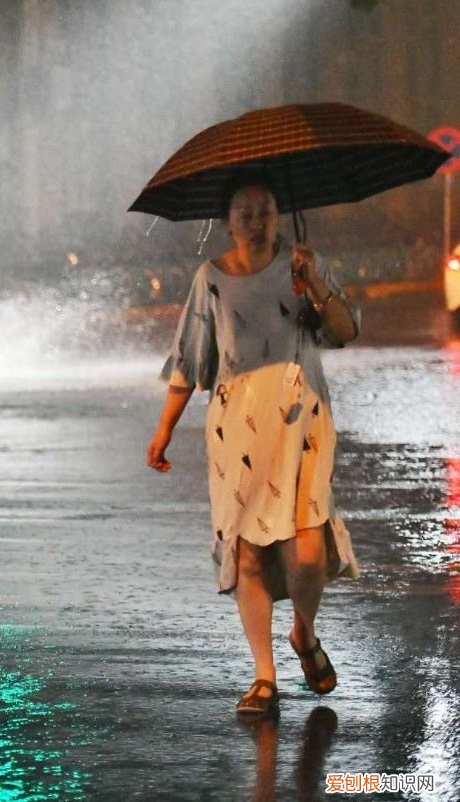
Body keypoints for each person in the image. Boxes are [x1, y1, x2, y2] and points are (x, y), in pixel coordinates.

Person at [145, 177, 361, 717]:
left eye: (264, 211)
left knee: (307, 547)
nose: (255, 221)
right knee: (249, 557)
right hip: (236, 428)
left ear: (277, 216)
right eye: (245, 212)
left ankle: (304, 634)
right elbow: (189, 360)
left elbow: (345, 330)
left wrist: (314, 285)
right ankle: (263, 676)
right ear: (228, 221)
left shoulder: (303, 266)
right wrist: (164, 428)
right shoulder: (210, 279)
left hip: (305, 419)